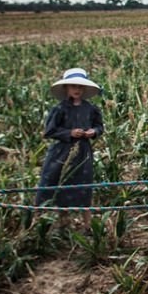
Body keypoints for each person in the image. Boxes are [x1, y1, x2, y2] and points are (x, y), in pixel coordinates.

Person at [36, 67, 104, 226]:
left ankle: (88, 224)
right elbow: (50, 131)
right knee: (60, 182)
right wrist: (70, 133)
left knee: (84, 184)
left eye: (80, 87)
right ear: (66, 88)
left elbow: (100, 127)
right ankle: (63, 220)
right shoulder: (59, 109)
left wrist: (92, 132)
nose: (77, 90)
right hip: (61, 153)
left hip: (83, 153)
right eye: (73, 86)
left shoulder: (91, 109)